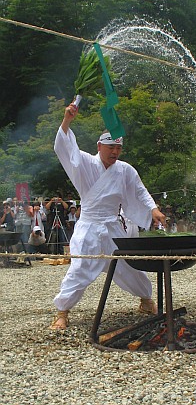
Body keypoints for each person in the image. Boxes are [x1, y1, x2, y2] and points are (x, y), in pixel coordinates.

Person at [50, 102, 166, 330]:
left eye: (118, 148)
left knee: (129, 266)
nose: (115, 152)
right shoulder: (84, 163)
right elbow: (65, 148)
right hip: (89, 227)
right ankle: (62, 312)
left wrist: (152, 208)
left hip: (113, 226)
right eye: (110, 147)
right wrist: (67, 120)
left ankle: (145, 300)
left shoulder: (125, 170)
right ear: (99, 146)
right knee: (79, 268)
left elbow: (140, 190)